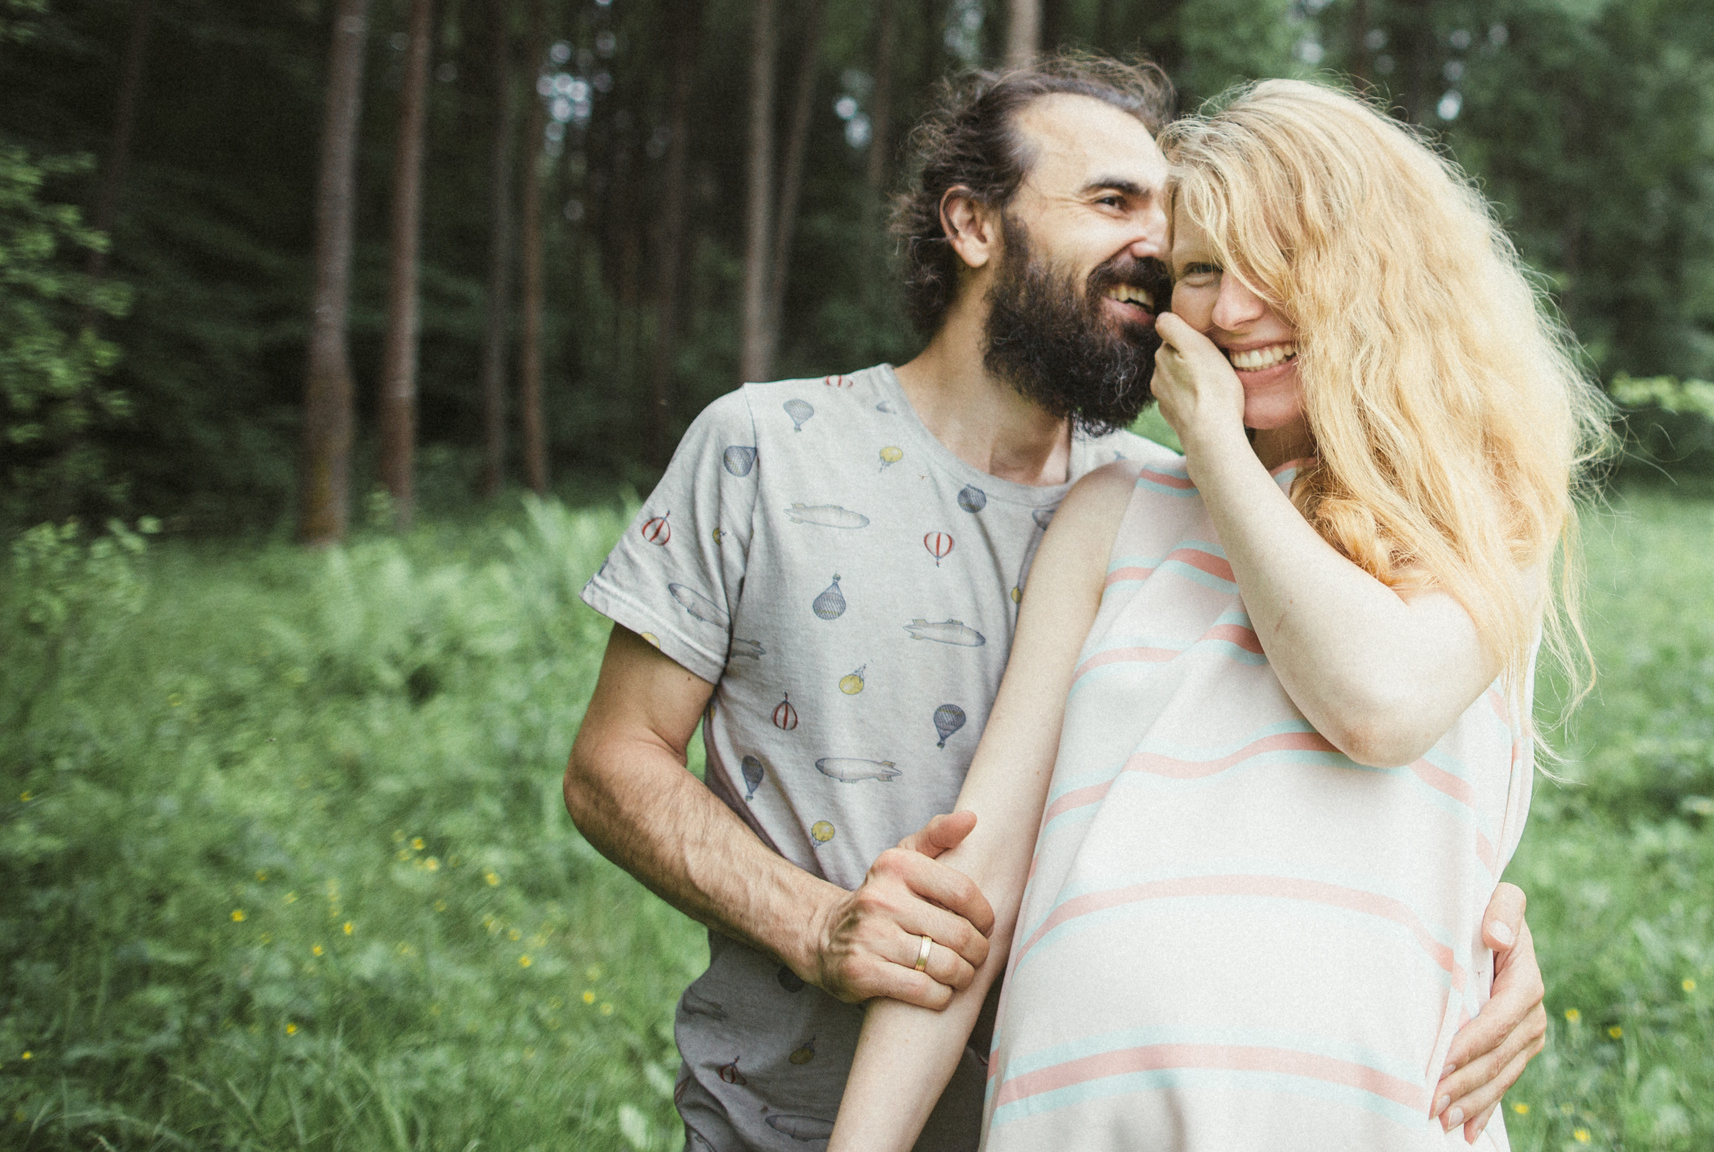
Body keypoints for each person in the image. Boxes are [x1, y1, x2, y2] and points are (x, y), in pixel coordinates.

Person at [563, 57, 1548, 1152]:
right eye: (1116, 204)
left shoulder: (1153, 488)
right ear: (972, 225)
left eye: (1173, 227)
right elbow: (614, 762)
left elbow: (1359, 764)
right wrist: (816, 926)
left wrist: (1475, 923)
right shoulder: (774, 449)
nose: (1161, 257)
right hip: (802, 1099)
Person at [830, 78, 1605, 1149]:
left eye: (1276, 263)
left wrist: (1217, 451)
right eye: (1198, 272)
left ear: (1372, 275)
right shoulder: (1111, 517)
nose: (1231, 310)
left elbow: (1375, 704)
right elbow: (982, 879)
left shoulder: (1485, 505)